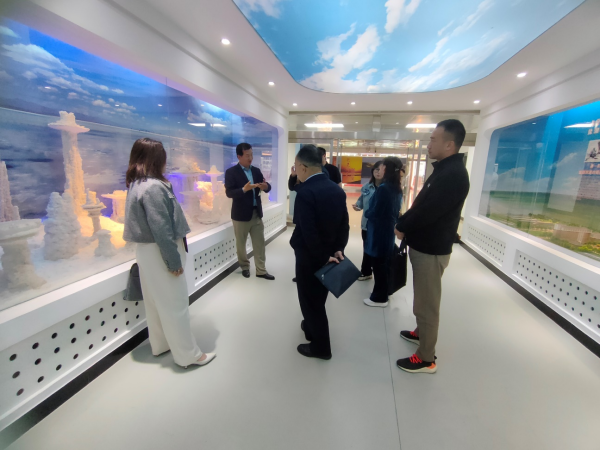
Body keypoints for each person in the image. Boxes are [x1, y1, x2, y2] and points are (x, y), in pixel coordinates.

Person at [123, 138, 216, 369]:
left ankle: (161, 344)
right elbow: (162, 229)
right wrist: (173, 261)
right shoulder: (154, 187)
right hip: (160, 251)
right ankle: (189, 355)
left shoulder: (137, 184)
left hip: (147, 252)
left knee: (155, 303)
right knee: (175, 304)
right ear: (157, 159)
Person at [394, 119, 470, 374]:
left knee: (426, 304)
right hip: (425, 246)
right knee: (422, 298)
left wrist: (403, 225)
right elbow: (421, 205)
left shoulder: (453, 175)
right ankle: (421, 332)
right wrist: (404, 222)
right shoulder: (444, 170)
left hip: (431, 249)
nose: (428, 145)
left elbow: (428, 212)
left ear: (449, 145)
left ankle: (426, 358)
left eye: (433, 140)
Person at [290, 144, 349, 360]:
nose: (296, 171)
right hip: (330, 254)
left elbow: (308, 231)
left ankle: (321, 348)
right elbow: (344, 224)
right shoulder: (336, 190)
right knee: (319, 297)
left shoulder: (305, 192)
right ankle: (310, 327)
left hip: (310, 257)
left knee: (310, 301)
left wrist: (322, 256)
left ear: (304, 167)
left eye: (296, 166)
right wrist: (338, 249)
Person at [225, 143, 275, 280]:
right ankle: (245, 267)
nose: (250, 158)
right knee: (241, 244)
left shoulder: (256, 171)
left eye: (251, 155)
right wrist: (243, 189)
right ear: (239, 156)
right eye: (247, 155)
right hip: (240, 215)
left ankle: (261, 270)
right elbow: (229, 193)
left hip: (256, 213)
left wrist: (266, 186)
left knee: (260, 243)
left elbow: (267, 187)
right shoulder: (231, 172)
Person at [362, 157, 403, 308]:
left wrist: (367, 213)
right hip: (387, 230)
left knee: (379, 264)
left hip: (379, 231)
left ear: (386, 169)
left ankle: (379, 297)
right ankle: (382, 291)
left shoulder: (384, 188)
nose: (380, 170)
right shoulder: (396, 188)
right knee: (384, 263)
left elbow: (375, 211)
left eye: (382, 167)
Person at [352, 161, 384, 281]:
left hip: (381, 226)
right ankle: (366, 271)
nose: (378, 172)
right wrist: (357, 206)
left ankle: (379, 274)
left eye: (381, 170)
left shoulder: (388, 188)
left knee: (378, 250)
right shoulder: (367, 186)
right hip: (366, 224)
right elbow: (361, 200)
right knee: (367, 248)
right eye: (376, 169)